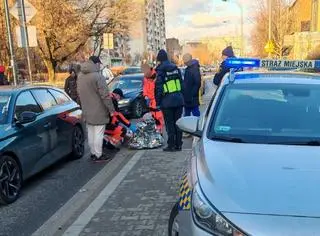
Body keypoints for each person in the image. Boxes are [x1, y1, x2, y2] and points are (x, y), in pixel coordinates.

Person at [77, 56, 115, 161]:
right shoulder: (98, 76)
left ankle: (93, 153)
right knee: (98, 133)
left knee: (91, 133)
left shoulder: (80, 76)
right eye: (99, 64)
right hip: (99, 110)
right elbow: (105, 96)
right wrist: (111, 110)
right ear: (96, 64)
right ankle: (99, 155)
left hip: (86, 109)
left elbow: (79, 94)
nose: (100, 66)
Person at [155, 49, 184, 152]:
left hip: (167, 101)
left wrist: (158, 103)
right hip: (179, 99)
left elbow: (158, 88)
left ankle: (171, 145)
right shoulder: (175, 68)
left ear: (159, 59)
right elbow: (181, 83)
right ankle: (179, 144)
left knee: (169, 124)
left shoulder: (160, 70)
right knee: (178, 123)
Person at [141, 63, 164, 134]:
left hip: (155, 100)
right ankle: (155, 131)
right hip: (150, 100)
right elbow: (145, 87)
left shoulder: (156, 76)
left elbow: (158, 89)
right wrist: (145, 95)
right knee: (152, 117)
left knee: (159, 117)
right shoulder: (145, 78)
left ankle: (160, 132)